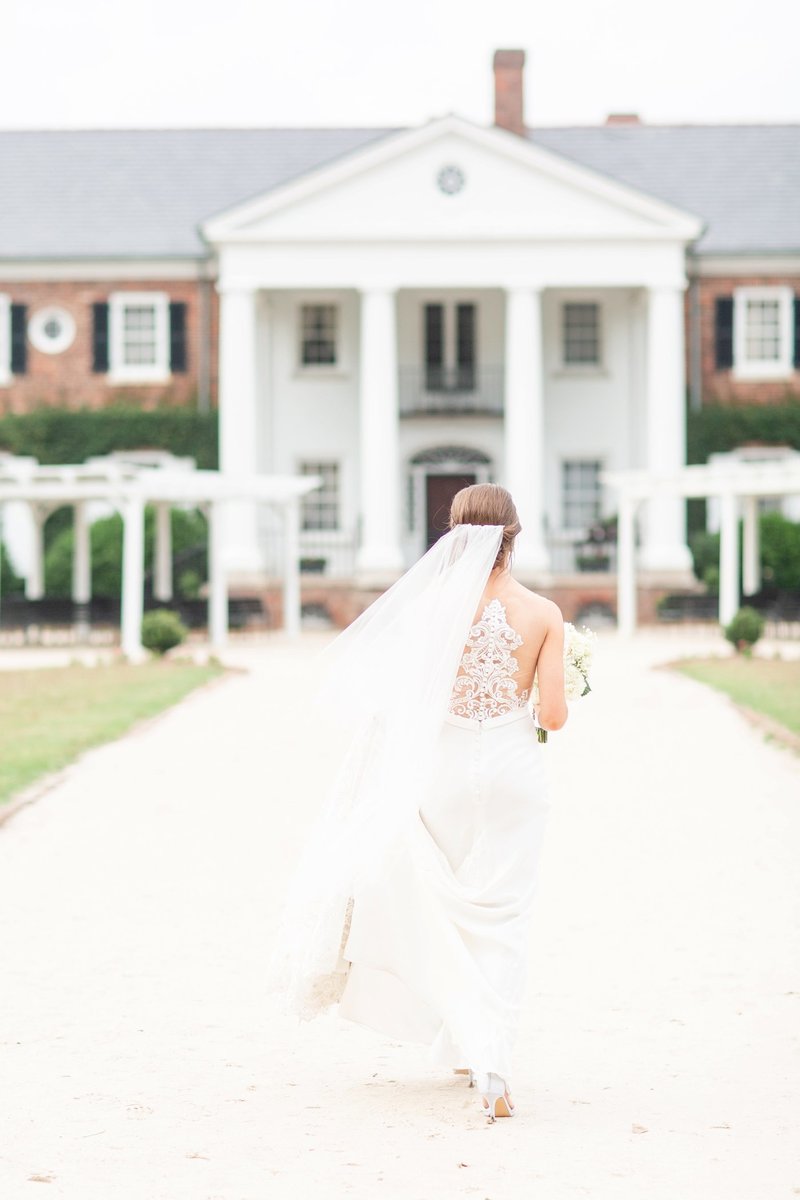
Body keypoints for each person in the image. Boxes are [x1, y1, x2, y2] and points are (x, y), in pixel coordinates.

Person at [271, 483, 567, 1122]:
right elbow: (554, 715)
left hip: (443, 773)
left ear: (453, 536)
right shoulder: (543, 613)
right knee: (505, 918)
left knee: (445, 909)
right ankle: (491, 1062)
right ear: (515, 535)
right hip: (515, 774)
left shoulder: (429, 610)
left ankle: (471, 1045)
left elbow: (403, 704)